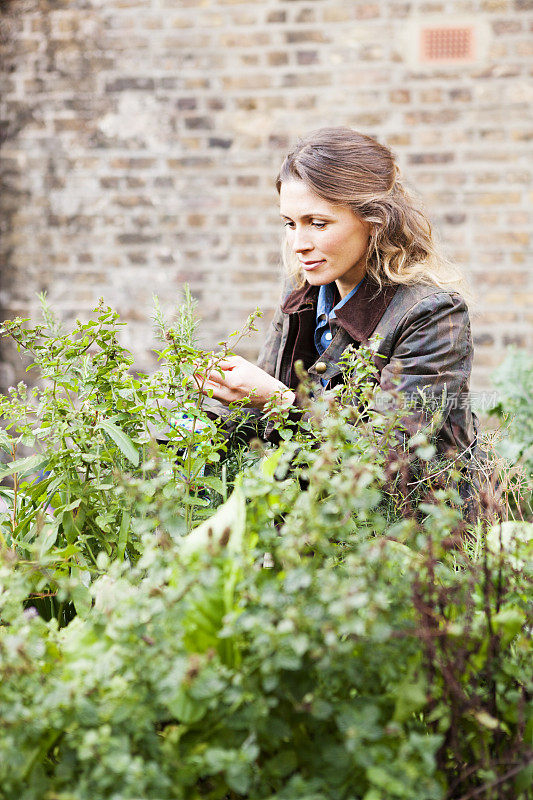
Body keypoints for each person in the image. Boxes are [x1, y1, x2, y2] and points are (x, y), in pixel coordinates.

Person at [199, 127, 484, 509]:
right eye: (290, 223)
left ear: (375, 220)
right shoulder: (304, 294)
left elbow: (395, 460)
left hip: (417, 542)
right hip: (318, 529)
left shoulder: (431, 313)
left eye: (318, 223)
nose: (299, 244)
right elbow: (258, 406)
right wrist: (202, 418)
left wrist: (282, 403)